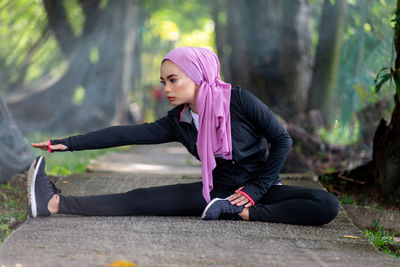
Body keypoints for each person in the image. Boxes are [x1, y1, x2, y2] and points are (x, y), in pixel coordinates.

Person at [29, 46, 339, 225]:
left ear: (197, 75)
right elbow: (126, 134)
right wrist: (68, 143)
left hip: (259, 189)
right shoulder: (179, 120)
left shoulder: (239, 100)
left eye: (173, 80)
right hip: (214, 192)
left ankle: (241, 214)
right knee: (139, 199)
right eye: (163, 81)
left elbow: (282, 140)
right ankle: (54, 204)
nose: (166, 89)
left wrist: (254, 192)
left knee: (326, 205)